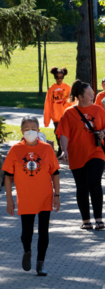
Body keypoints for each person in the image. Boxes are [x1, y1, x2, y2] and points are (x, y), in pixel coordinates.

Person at [2, 115, 60, 276]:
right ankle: (27, 251)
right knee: (26, 234)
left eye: (33, 129)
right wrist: (9, 200)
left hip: (45, 196)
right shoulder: (15, 150)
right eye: (27, 129)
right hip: (26, 197)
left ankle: (40, 263)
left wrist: (57, 195)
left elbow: (55, 173)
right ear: (21, 131)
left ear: (39, 130)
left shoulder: (46, 149)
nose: (30, 132)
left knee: (44, 232)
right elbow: (7, 176)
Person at [56, 80, 105, 230]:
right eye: (89, 94)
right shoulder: (69, 113)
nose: (93, 95)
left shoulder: (99, 110)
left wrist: (103, 133)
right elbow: (64, 134)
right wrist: (64, 150)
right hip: (77, 154)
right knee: (81, 187)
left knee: (94, 182)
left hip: (96, 151)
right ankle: (86, 220)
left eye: (93, 93)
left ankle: (99, 219)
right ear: (80, 96)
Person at [44, 67, 71, 155]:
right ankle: (61, 148)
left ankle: (67, 149)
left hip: (66, 115)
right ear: (54, 77)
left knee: (67, 132)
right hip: (56, 116)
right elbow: (48, 103)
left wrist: (64, 101)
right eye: (57, 77)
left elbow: (72, 100)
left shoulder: (67, 87)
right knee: (58, 133)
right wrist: (47, 120)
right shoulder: (51, 89)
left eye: (61, 77)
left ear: (63, 77)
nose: (59, 79)